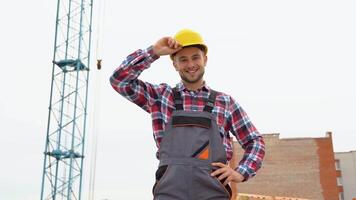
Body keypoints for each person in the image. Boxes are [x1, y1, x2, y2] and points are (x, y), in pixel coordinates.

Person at [110, 29, 265, 200]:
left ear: (205, 59)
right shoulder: (160, 97)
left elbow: (254, 141)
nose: (190, 64)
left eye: (195, 57)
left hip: (213, 193)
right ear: (175, 64)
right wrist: (153, 52)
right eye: (183, 59)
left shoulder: (225, 102)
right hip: (169, 193)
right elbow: (119, 80)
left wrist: (241, 173)